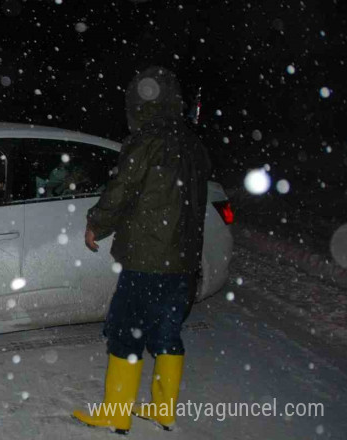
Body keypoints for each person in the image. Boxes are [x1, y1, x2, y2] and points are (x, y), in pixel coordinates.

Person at [72, 66, 211, 434]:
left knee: (127, 330)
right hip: (182, 260)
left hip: (146, 257)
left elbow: (122, 189)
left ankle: (117, 412)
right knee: (167, 332)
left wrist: (97, 223)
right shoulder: (193, 144)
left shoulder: (147, 140)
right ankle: (164, 410)